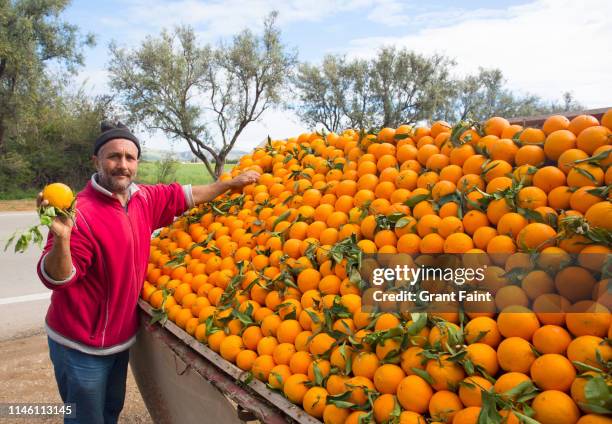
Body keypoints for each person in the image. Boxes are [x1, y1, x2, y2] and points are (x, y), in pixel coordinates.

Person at [36, 121, 259, 423]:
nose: (122, 165)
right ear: (96, 161)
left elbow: (188, 194)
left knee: (109, 411)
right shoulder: (81, 213)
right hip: (80, 345)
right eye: (114, 156)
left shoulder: (143, 198)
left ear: (137, 162)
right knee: (85, 418)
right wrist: (62, 238)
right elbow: (58, 279)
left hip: (118, 341)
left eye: (130, 157)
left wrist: (228, 185)